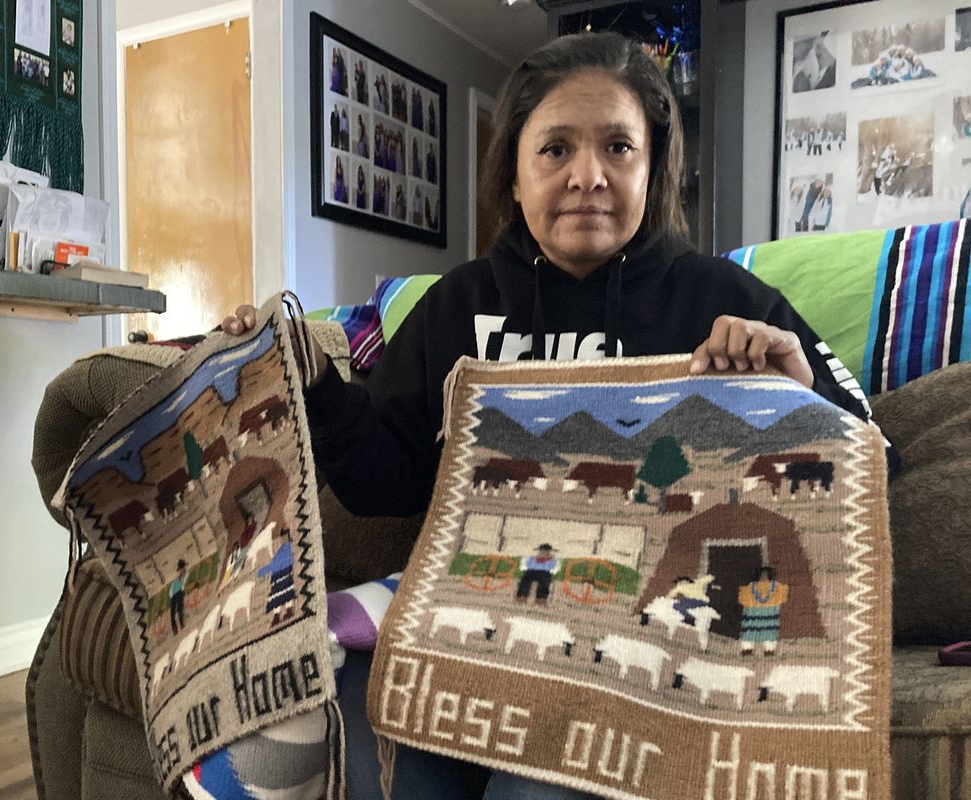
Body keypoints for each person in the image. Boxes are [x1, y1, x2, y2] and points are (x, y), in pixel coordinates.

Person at [224, 31, 869, 799]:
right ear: (517, 173)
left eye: (618, 148)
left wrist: (799, 394)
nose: (587, 176)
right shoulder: (455, 306)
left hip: (640, 657)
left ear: (652, 166)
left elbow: (872, 465)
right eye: (556, 149)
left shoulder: (726, 301)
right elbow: (382, 481)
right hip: (465, 632)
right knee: (350, 752)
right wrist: (317, 382)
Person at [738, 566, 789, 656]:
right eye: (762, 574)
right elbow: (743, 597)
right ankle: (747, 649)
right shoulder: (752, 586)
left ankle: (769, 650)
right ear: (759, 575)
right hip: (753, 612)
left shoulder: (775, 585)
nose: (764, 576)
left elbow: (782, 595)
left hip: (769, 611)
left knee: (769, 631)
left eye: (766, 574)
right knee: (750, 630)